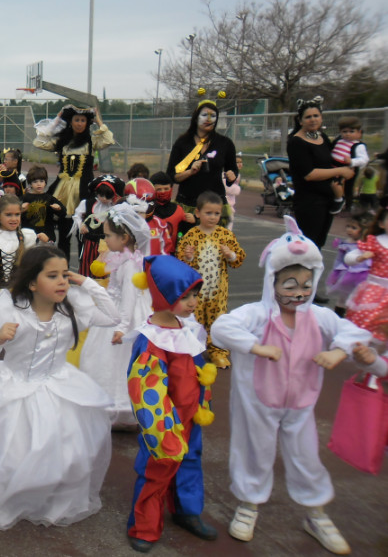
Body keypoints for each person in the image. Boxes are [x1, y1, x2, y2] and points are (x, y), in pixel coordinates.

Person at [211, 216, 370, 554]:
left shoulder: (320, 318)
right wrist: (256, 347)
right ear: (273, 281)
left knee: (306, 457)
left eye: (305, 284)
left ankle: (316, 513)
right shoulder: (256, 315)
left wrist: (339, 352)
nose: (299, 292)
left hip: (301, 403)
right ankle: (249, 504)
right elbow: (221, 328)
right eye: (290, 284)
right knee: (255, 452)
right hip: (258, 401)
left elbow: (352, 331)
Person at [0, 244, 117, 529]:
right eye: (52, 276)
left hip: (58, 386)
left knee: (63, 450)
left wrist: (87, 283)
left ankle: (46, 496)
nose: (62, 281)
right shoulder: (14, 313)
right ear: (32, 282)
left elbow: (113, 317)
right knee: (11, 452)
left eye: (64, 275)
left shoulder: (71, 312)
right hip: (12, 387)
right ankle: (5, 494)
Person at [126, 255, 218, 553]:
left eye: (194, 294)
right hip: (164, 422)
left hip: (192, 416)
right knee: (157, 469)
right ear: (163, 295)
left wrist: (202, 404)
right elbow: (145, 390)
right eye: (184, 295)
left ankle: (186, 511)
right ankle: (144, 525)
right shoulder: (151, 339)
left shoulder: (187, 330)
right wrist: (161, 428)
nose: (192, 302)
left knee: (190, 463)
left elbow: (197, 374)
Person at [79, 202, 152, 426]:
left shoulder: (130, 264)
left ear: (125, 238)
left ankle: (119, 407)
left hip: (122, 316)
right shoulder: (121, 259)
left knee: (117, 362)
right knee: (103, 359)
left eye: (109, 235)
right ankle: (110, 403)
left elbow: (129, 297)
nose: (106, 239)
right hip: (114, 310)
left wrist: (122, 327)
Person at [32, 104, 113, 260]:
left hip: (85, 191)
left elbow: (108, 140)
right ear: (71, 122)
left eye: (83, 120)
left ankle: (84, 269)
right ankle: (64, 270)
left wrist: (98, 120)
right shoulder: (62, 142)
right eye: (76, 120)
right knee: (64, 235)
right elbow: (39, 142)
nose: (79, 123)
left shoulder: (92, 141)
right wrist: (57, 120)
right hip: (62, 192)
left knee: (85, 233)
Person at [176, 191, 246, 368]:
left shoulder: (225, 235)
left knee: (218, 320)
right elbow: (180, 262)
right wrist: (188, 257)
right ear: (198, 213)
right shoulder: (191, 235)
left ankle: (218, 352)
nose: (213, 217)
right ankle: (194, 350)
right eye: (208, 213)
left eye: (216, 213)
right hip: (196, 291)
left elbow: (238, 259)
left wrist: (230, 255)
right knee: (194, 318)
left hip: (218, 291)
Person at [286, 97, 355, 258]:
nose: (312, 120)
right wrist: (341, 171)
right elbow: (309, 174)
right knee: (307, 245)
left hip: (327, 199)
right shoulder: (296, 142)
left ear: (321, 117)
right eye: (308, 117)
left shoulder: (322, 137)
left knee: (319, 244)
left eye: (316, 115)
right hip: (309, 202)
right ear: (300, 120)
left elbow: (332, 161)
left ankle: (311, 281)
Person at [166, 90, 239, 235]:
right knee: (186, 249)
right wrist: (190, 171)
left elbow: (232, 170)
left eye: (213, 116)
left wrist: (232, 176)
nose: (209, 119)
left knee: (215, 248)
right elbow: (171, 176)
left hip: (214, 206)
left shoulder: (225, 143)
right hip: (188, 203)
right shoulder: (183, 143)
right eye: (205, 115)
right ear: (196, 117)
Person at [344, 200, 388, 340]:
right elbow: (349, 258)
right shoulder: (375, 241)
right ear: (381, 223)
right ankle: (358, 347)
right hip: (375, 291)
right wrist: (360, 258)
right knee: (366, 322)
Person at [75, 174, 124, 276]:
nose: (104, 198)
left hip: (107, 244)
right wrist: (81, 225)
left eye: (108, 196)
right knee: (87, 264)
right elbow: (77, 215)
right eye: (101, 195)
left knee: (105, 266)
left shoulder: (115, 207)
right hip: (90, 242)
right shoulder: (88, 203)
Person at [326, 210, 372, 317]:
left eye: (354, 228)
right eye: (348, 226)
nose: (349, 230)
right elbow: (339, 259)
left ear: (364, 230)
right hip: (347, 274)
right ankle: (338, 316)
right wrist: (335, 273)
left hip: (363, 276)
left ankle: (354, 317)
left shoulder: (367, 244)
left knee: (358, 298)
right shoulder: (346, 243)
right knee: (343, 297)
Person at [330, 115, 369, 206]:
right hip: (333, 167)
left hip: (347, 169)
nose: (347, 134)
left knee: (346, 188)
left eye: (351, 131)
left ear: (359, 132)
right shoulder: (339, 141)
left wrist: (352, 161)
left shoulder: (358, 145)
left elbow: (364, 159)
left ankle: (346, 204)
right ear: (340, 132)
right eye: (344, 131)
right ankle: (336, 200)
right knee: (332, 186)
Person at [21, 166, 64, 243]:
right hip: (28, 235)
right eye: (35, 182)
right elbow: (15, 213)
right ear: (30, 183)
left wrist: (59, 209)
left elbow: (63, 212)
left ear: (45, 182)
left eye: (41, 181)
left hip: (47, 234)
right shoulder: (25, 197)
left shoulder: (49, 198)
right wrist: (20, 209)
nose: (38, 184)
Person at [150, 170, 189, 253]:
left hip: (173, 255)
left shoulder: (178, 210)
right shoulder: (148, 212)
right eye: (159, 189)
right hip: (152, 255)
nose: (163, 192)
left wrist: (193, 221)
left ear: (171, 189)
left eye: (166, 188)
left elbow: (185, 233)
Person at [223, 154, 242, 231]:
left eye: (241, 162)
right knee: (228, 222)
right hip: (225, 203)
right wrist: (238, 189)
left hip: (230, 203)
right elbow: (227, 187)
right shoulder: (227, 173)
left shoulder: (238, 175)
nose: (240, 164)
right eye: (237, 162)